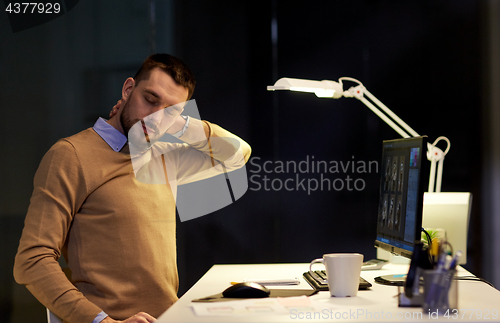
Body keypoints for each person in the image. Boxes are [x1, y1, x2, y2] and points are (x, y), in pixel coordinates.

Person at [13, 54, 251, 323]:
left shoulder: (163, 156)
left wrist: (181, 124)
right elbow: (32, 260)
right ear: (128, 90)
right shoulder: (70, 155)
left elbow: (237, 153)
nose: (154, 118)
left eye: (169, 112)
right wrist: (102, 321)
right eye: (150, 100)